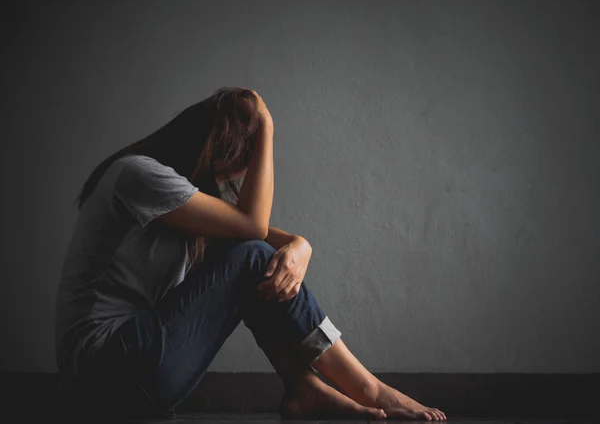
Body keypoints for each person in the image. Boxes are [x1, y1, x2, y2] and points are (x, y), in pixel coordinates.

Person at [54, 87, 447, 421]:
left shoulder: (182, 204)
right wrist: (266, 127)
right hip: (104, 368)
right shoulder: (138, 175)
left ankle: (303, 386)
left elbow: (268, 240)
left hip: (130, 379)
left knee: (257, 261)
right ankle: (370, 388)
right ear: (207, 153)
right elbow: (255, 230)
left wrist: (302, 246)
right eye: (229, 173)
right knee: (252, 254)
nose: (230, 186)